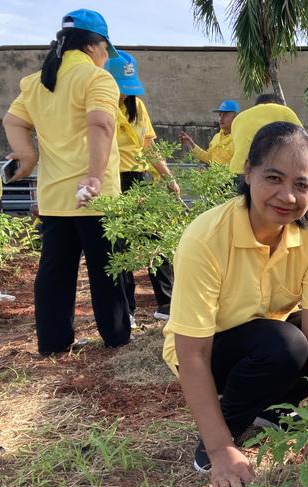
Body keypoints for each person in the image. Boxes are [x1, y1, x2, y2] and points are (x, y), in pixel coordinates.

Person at [162, 121, 308, 487]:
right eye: (273, 178)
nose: (287, 196)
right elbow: (192, 351)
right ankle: (226, 432)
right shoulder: (207, 237)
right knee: (285, 344)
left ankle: (273, 414)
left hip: (271, 341)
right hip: (208, 350)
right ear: (248, 172)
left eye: (301, 185)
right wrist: (220, 448)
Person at [2, 9, 130, 354]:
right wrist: (94, 176)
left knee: (55, 272)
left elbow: (12, 121)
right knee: (108, 268)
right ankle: (116, 337)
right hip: (94, 196)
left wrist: (26, 157)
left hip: (56, 196)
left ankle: (54, 342)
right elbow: (101, 125)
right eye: (106, 51)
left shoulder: (35, 82)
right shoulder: (96, 78)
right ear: (95, 45)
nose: (106, 59)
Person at [105, 50, 179, 321]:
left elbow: (149, 147)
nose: (124, 94)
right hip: (111, 180)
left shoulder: (139, 107)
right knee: (118, 246)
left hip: (139, 179)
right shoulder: (99, 104)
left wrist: (167, 176)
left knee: (155, 240)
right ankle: (126, 309)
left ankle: (166, 304)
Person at [228, 94, 302, 178]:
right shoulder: (283, 111)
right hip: (264, 172)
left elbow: (234, 148)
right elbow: (302, 141)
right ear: (278, 104)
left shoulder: (239, 118)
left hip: (236, 170)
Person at [179, 100, 238, 167]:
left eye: (225, 115)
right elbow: (209, 158)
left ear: (235, 118)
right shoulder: (217, 137)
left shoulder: (238, 138)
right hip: (214, 176)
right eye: (220, 115)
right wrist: (191, 144)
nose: (221, 118)